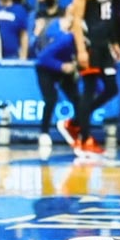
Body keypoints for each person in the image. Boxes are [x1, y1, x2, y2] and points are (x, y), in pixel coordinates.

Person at [66, 0, 120, 155]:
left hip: (104, 45)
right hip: (90, 45)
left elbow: (109, 17)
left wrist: (114, 42)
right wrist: (81, 50)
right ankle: (85, 137)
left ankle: (75, 122)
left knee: (112, 88)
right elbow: (77, 20)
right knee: (89, 89)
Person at [34, 15, 81, 153]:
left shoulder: (84, 41)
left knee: (77, 99)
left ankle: (75, 127)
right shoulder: (66, 39)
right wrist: (61, 66)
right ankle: (44, 133)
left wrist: (74, 65)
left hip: (66, 68)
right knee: (50, 98)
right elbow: (43, 57)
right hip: (46, 68)